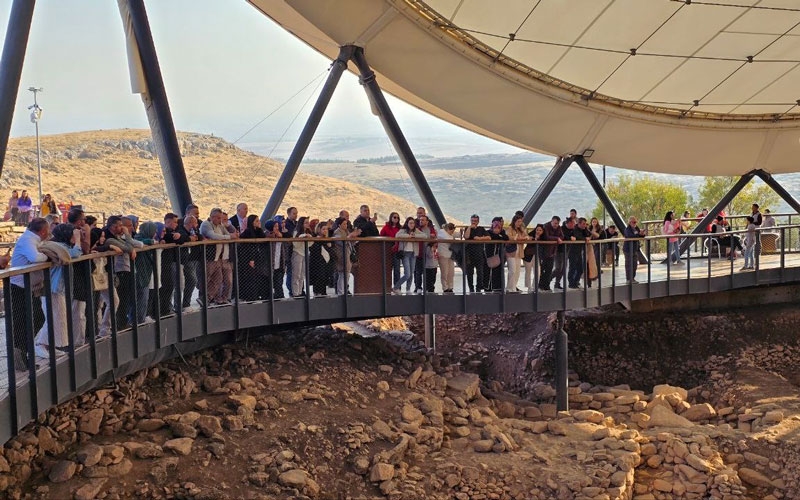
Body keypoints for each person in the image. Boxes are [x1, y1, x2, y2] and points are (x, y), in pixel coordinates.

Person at [34, 223, 83, 358]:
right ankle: (40, 344)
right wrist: (78, 241)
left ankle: (51, 345)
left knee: (58, 317)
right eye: (73, 234)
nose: (75, 236)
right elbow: (75, 254)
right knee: (53, 317)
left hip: (57, 288)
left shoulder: (62, 247)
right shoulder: (59, 248)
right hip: (52, 288)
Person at [8, 218, 50, 369]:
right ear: (43, 231)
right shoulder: (28, 240)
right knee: (24, 320)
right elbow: (34, 257)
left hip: (28, 287)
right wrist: (47, 256)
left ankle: (22, 352)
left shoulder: (33, 240)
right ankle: (20, 354)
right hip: (20, 287)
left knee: (35, 317)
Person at [200, 208, 235, 305]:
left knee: (218, 279)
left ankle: (208, 298)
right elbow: (213, 236)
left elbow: (230, 234)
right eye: (219, 218)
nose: (221, 220)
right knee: (206, 278)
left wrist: (228, 235)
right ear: (212, 217)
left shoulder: (220, 226)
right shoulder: (206, 224)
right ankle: (204, 298)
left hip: (218, 258)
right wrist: (228, 237)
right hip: (209, 257)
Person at [133, 222, 158, 324]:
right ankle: (139, 319)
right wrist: (151, 241)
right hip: (140, 271)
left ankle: (142, 317)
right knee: (141, 295)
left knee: (145, 295)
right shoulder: (138, 237)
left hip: (146, 271)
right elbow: (138, 241)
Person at [239, 214, 269, 301]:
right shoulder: (247, 232)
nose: (258, 222)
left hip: (257, 257)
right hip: (248, 258)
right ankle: (250, 296)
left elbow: (263, 240)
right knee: (250, 278)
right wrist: (250, 259)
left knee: (258, 277)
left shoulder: (258, 231)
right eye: (256, 221)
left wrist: (259, 229)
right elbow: (246, 247)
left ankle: (257, 294)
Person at [177, 215, 202, 309]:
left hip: (192, 258)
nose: (197, 225)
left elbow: (200, 237)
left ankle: (186, 303)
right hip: (184, 259)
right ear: (191, 223)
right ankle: (182, 304)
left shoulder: (194, 231)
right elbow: (181, 238)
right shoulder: (181, 230)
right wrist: (189, 238)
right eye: (195, 223)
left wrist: (195, 234)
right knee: (192, 280)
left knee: (191, 281)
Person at [331, 217, 361, 295]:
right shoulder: (337, 232)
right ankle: (341, 292)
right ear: (339, 225)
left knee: (347, 274)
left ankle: (344, 290)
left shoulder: (346, 231)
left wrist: (354, 237)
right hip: (341, 255)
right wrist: (351, 235)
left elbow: (350, 243)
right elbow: (341, 242)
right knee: (342, 274)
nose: (346, 225)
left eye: (346, 224)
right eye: (344, 224)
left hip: (348, 254)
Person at [394, 217, 423, 293]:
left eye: (413, 223)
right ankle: (396, 287)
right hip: (405, 254)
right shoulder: (403, 230)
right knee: (407, 274)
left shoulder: (416, 231)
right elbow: (397, 235)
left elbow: (425, 236)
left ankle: (408, 289)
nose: (412, 224)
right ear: (407, 223)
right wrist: (408, 236)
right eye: (410, 223)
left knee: (411, 272)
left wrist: (414, 236)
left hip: (413, 254)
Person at [464, 214, 490, 293]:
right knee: (470, 273)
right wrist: (469, 228)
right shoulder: (467, 228)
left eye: (475, 221)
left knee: (480, 272)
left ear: (478, 221)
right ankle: (471, 288)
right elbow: (466, 236)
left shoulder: (481, 229)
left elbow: (489, 237)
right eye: (472, 221)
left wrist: (480, 238)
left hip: (479, 253)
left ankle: (478, 288)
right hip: (469, 253)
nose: (473, 222)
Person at [309, 221, 334, 297]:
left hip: (326, 261)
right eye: (323, 229)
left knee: (325, 277)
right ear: (319, 229)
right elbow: (313, 249)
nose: (325, 231)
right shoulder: (315, 238)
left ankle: (323, 292)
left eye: (326, 229)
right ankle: (317, 292)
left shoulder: (328, 239)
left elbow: (330, 248)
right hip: (317, 262)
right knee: (319, 277)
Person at [505, 215, 528, 293]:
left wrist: (523, 237)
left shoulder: (520, 230)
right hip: (511, 253)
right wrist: (517, 238)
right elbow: (509, 237)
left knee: (517, 271)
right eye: (518, 221)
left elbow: (526, 237)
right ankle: (509, 287)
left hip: (519, 252)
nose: (519, 223)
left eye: (520, 222)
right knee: (512, 270)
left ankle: (514, 286)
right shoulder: (510, 228)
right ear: (514, 221)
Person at [540, 216, 563, 291]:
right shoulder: (546, 226)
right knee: (542, 270)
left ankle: (546, 285)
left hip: (553, 251)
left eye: (558, 223)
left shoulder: (559, 227)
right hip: (544, 252)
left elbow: (562, 236)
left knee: (549, 270)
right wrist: (557, 238)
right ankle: (540, 285)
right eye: (555, 223)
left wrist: (558, 238)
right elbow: (547, 237)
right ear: (551, 221)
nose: (556, 225)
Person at [414, 215, 436, 293]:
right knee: (418, 272)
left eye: (423, 220)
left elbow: (434, 238)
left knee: (428, 272)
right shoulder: (417, 230)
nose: (421, 221)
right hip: (419, 253)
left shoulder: (431, 230)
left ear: (427, 221)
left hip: (428, 254)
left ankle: (428, 287)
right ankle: (418, 287)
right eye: (420, 220)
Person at [291, 216, 312, 297]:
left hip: (305, 253)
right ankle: (295, 293)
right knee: (296, 274)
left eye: (308, 222)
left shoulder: (308, 232)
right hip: (298, 253)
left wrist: (309, 237)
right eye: (306, 222)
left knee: (302, 274)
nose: (307, 224)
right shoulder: (296, 232)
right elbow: (295, 244)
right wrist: (302, 237)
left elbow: (311, 243)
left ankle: (300, 291)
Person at [485, 220, 509, 292]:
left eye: (498, 228)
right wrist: (499, 236)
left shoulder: (502, 233)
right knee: (488, 272)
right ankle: (488, 288)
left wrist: (499, 236)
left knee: (498, 272)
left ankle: (497, 288)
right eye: (495, 227)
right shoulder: (488, 232)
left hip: (498, 256)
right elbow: (493, 237)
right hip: (489, 255)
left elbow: (506, 238)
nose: (496, 229)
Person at [567, 218, 590, 289]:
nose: (584, 225)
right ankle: (571, 283)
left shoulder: (583, 229)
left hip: (579, 251)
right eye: (583, 224)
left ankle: (576, 282)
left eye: (585, 224)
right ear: (579, 223)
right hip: (572, 251)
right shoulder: (575, 229)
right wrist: (585, 238)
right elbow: (578, 237)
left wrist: (585, 229)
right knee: (572, 268)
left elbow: (588, 234)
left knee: (580, 269)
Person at [381, 212, 402, 289]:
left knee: (397, 270)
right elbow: (381, 236)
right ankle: (387, 287)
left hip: (396, 251)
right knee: (388, 270)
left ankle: (397, 287)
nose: (396, 219)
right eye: (394, 217)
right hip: (388, 251)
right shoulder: (386, 227)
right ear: (391, 218)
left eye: (397, 218)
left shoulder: (400, 228)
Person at [623, 216, 647, 283]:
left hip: (635, 249)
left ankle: (632, 278)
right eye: (633, 222)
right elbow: (630, 236)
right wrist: (638, 234)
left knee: (634, 264)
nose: (635, 223)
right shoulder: (627, 229)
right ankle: (628, 279)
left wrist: (642, 234)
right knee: (629, 264)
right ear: (630, 222)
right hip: (628, 249)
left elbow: (639, 235)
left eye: (635, 222)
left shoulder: (636, 228)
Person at [523, 223, 545, 292]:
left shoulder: (544, 238)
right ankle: (529, 287)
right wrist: (534, 239)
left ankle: (535, 286)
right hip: (528, 255)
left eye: (540, 230)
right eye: (537, 230)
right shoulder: (530, 236)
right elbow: (527, 242)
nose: (538, 231)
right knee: (528, 271)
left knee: (538, 272)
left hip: (537, 256)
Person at [437, 223, 457, 293]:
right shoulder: (441, 232)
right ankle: (445, 287)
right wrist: (453, 236)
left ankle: (450, 287)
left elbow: (456, 235)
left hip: (450, 256)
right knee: (444, 272)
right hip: (443, 255)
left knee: (451, 272)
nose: (452, 232)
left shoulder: (450, 234)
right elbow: (448, 238)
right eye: (452, 230)